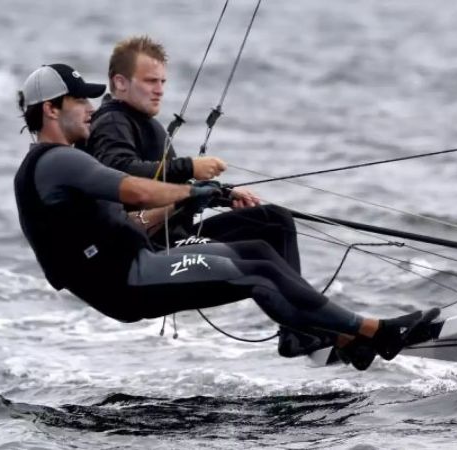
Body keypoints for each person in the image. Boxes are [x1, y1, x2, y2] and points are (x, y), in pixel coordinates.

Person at [13, 63, 439, 371]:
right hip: (127, 279)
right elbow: (136, 190)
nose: (91, 106)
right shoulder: (55, 163)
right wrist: (189, 182)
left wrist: (192, 201)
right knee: (251, 272)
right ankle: (375, 332)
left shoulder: (61, 162)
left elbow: (128, 215)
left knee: (255, 250)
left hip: (132, 268)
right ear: (51, 109)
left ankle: (348, 337)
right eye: (79, 99)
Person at [83, 35, 312, 355]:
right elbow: (119, 169)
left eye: (162, 81)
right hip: (154, 247)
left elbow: (177, 188)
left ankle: (299, 330)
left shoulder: (142, 123)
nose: (160, 89)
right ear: (120, 82)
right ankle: (307, 331)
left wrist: (222, 194)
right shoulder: (112, 121)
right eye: (150, 81)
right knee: (258, 250)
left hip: (177, 230)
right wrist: (188, 167)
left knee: (275, 220)